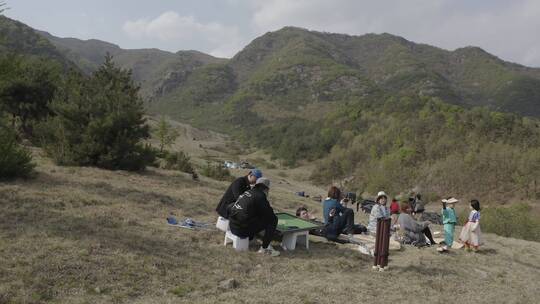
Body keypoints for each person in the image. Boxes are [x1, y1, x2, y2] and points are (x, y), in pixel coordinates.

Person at [227, 177, 279, 256]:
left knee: (254, 216)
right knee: (273, 220)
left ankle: (253, 237)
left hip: (232, 226)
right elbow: (270, 215)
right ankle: (264, 249)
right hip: (241, 231)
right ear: (266, 189)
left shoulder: (248, 192)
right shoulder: (260, 196)